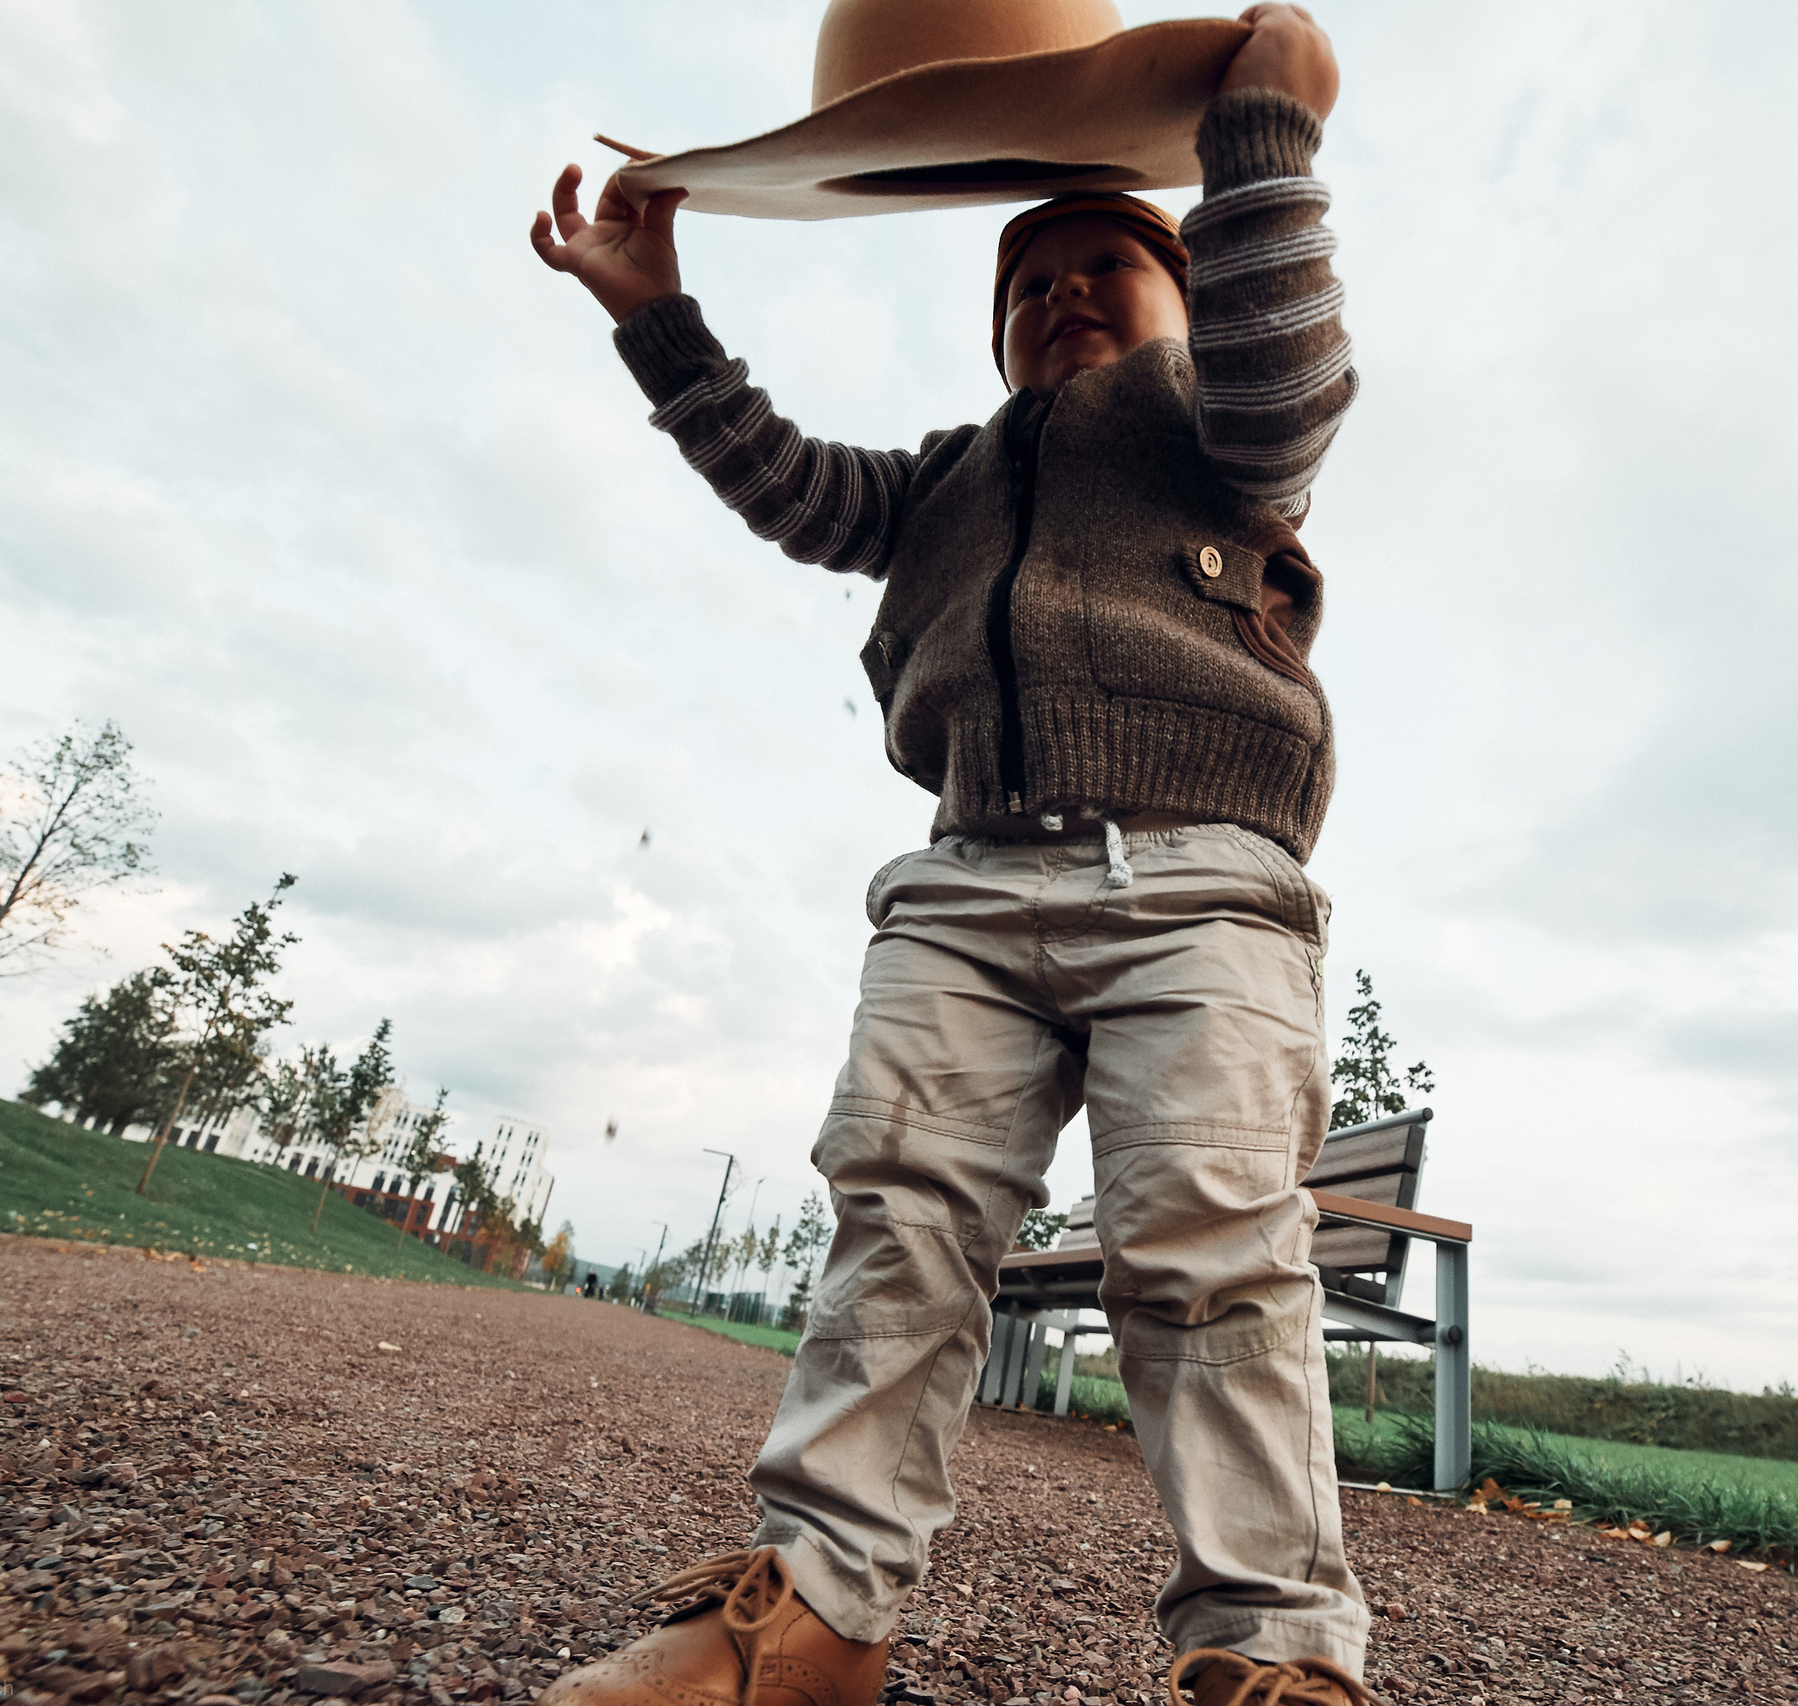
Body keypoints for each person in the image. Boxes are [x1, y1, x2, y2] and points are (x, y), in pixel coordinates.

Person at [530, 9, 1365, 1706]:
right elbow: (781, 483)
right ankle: (819, 1613)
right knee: (897, 1220)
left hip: (1199, 885)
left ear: (1184, 302)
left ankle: (1271, 1653)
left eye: (1102, 270)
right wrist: (657, 322)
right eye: (1023, 282)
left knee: (1207, 1247)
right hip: (968, 890)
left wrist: (1260, 152)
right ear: (989, 339)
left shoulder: (1218, 425)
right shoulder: (940, 483)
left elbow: (1290, 364)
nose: (1058, 293)